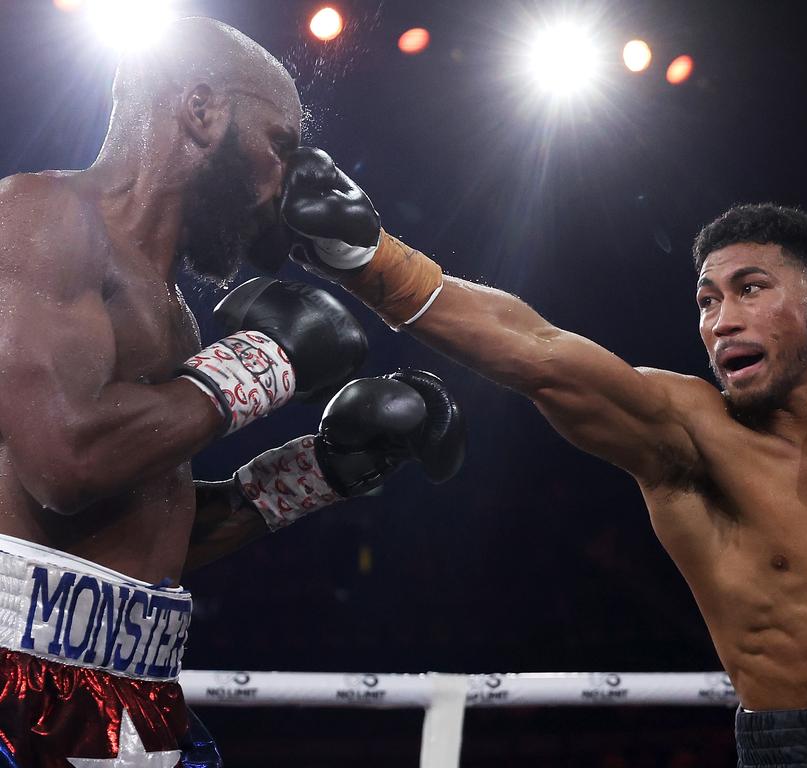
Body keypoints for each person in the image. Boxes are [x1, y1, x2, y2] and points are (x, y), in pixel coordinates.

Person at [269, 145, 807, 767]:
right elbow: (536, 350)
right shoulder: (687, 434)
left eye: (749, 289)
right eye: (705, 300)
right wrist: (367, 257)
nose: (721, 321)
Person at [0, 19, 464, 768]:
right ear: (202, 111)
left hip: (139, 690)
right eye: (280, 146)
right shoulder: (40, 218)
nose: (287, 182)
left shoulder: (174, 314)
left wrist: (318, 471)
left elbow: (145, 528)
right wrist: (269, 357)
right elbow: (67, 463)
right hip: (15, 684)